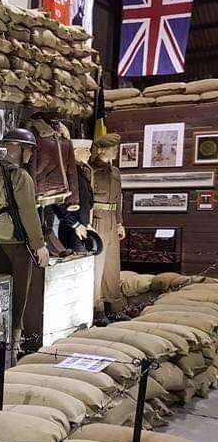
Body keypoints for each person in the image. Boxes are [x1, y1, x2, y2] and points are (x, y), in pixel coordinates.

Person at [0, 128, 49, 349]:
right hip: (15, 243)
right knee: (18, 294)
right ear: (17, 149)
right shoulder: (21, 177)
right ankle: (14, 346)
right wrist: (39, 245)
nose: (31, 154)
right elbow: (28, 213)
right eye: (29, 149)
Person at [90, 133, 129, 324]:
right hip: (97, 220)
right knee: (97, 268)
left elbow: (119, 199)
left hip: (112, 220)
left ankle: (114, 308)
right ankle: (97, 310)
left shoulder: (115, 173)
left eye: (116, 148)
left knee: (112, 267)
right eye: (112, 148)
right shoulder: (90, 171)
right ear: (101, 150)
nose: (115, 151)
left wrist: (120, 223)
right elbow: (87, 200)